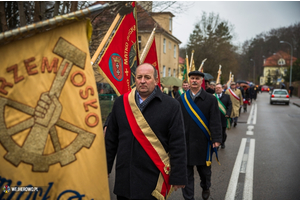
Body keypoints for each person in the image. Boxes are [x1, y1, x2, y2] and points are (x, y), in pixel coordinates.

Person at [105, 63, 187, 200]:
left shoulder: (171, 105)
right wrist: (105, 167)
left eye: (147, 77)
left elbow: (178, 143)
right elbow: (111, 140)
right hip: (125, 177)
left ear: (155, 80)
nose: (143, 81)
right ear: (135, 80)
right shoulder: (121, 103)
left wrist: (178, 176)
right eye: (139, 77)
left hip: (153, 179)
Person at [177, 71, 222, 200]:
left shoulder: (211, 99)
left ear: (202, 81)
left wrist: (217, 138)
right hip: (185, 142)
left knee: (205, 173)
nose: (194, 81)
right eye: (192, 78)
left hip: (204, 142)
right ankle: (188, 197)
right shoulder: (181, 99)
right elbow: (176, 121)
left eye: (197, 78)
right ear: (189, 80)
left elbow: (215, 120)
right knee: (186, 174)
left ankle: (206, 186)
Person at [214, 83, 232, 149]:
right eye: (216, 88)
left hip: (223, 117)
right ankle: (217, 143)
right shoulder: (212, 96)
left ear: (222, 89)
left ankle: (223, 142)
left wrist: (228, 113)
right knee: (216, 131)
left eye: (219, 88)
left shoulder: (227, 96)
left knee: (223, 132)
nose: (217, 89)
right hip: (215, 118)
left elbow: (229, 105)